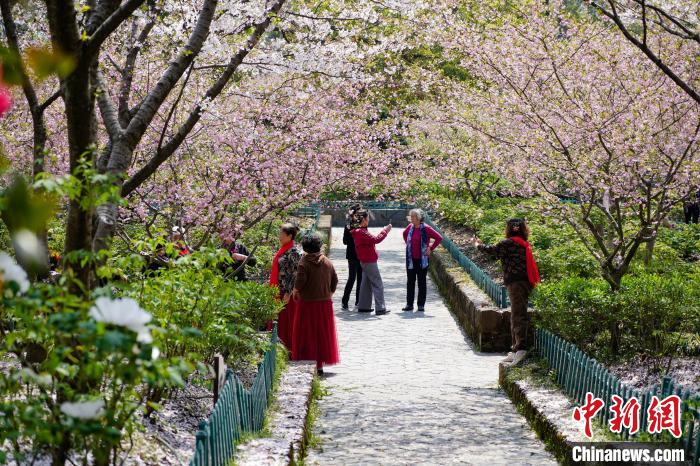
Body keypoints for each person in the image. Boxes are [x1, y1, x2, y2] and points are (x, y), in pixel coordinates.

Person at [472, 218, 540, 366]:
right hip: (524, 281)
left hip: (516, 283)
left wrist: (477, 244)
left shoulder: (508, 243)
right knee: (517, 313)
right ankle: (515, 348)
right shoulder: (523, 243)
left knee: (517, 315)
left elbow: (492, 251)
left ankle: (520, 348)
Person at [291, 233, 340, 375]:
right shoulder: (327, 262)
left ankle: (307, 362)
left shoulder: (304, 262)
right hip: (324, 303)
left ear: (305, 247)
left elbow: (300, 281)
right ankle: (319, 365)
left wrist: (295, 290)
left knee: (307, 333)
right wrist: (329, 293)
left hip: (307, 303)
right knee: (322, 334)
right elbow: (335, 280)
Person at [351, 210, 392, 315]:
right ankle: (380, 308)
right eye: (367, 218)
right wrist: (385, 231)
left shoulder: (359, 231)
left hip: (365, 260)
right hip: (369, 260)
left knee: (366, 284)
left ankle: (363, 306)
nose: (368, 220)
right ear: (364, 220)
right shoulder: (362, 232)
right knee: (378, 283)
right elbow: (376, 239)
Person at [402, 208, 442, 312]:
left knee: (421, 282)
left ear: (419, 218)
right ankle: (409, 304)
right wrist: (409, 244)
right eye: (411, 217)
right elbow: (404, 234)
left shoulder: (426, 228)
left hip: (422, 260)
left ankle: (421, 305)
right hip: (411, 260)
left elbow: (439, 238)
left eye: (414, 217)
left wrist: (430, 248)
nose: (411, 219)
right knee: (410, 282)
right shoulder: (410, 227)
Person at [270, 223, 301, 349]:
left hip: (286, 293)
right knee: (280, 320)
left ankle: (288, 348)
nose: (279, 237)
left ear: (289, 236)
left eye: (281, 234)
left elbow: (296, 273)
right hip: (279, 289)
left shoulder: (293, 251)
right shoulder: (284, 248)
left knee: (286, 322)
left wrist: (289, 292)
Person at [341, 204, 363, 310]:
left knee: (361, 278)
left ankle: (359, 301)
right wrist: (353, 235)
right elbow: (344, 241)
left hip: (361, 254)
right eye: (357, 213)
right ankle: (345, 301)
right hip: (352, 254)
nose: (359, 215)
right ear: (353, 213)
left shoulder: (362, 224)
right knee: (352, 278)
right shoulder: (348, 225)